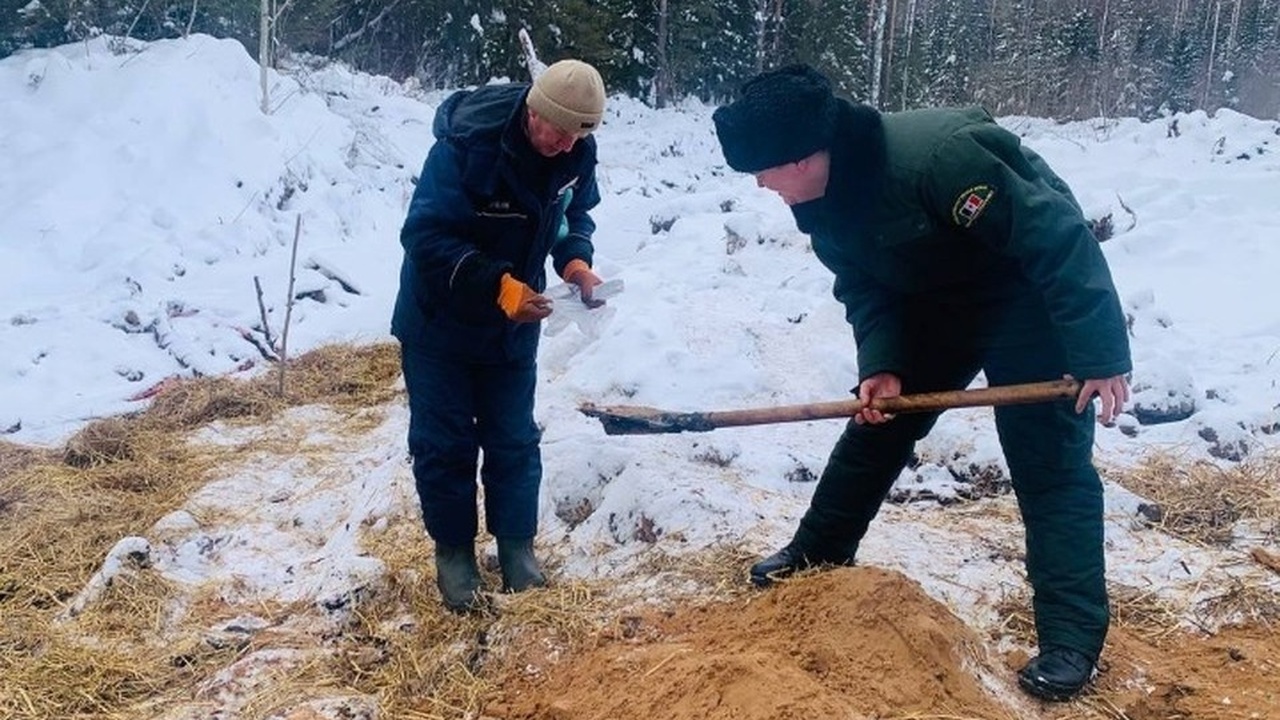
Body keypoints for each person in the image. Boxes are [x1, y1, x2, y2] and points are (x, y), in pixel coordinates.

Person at [712, 64, 1131, 702]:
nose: (762, 185)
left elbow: (1056, 238)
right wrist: (882, 363)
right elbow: (862, 283)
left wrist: (1099, 353)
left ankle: (1071, 638)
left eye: (764, 171)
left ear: (802, 157)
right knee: (877, 425)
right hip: (940, 302)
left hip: (1028, 300)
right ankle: (817, 552)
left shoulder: (938, 160)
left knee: (1048, 465)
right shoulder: (822, 199)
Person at [391, 59, 608, 613]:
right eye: (558, 131)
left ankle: (517, 550)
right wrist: (497, 284)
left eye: (578, 134)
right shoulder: (468, 146)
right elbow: (424, 234)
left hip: (514, 323)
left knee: (513, 438)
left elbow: (569, 215)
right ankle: (455, 556)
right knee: (445, 443)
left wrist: (576, 262)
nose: (564, 145)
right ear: (535, 110)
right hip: (440, 319)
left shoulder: (575, 156)